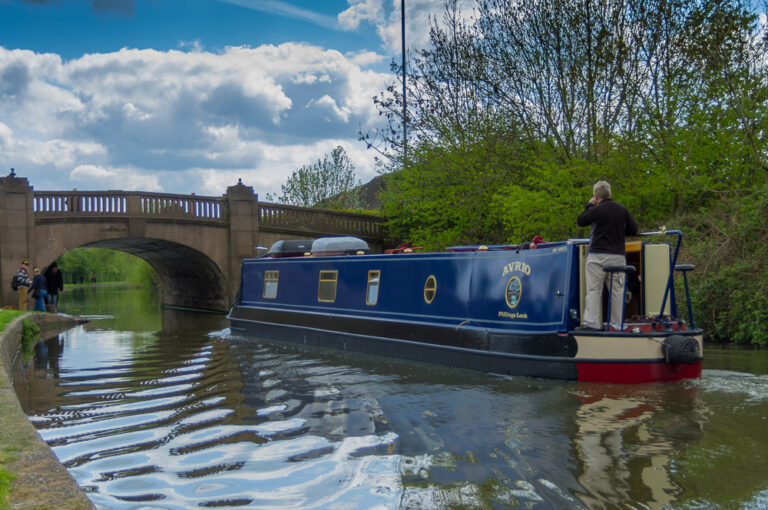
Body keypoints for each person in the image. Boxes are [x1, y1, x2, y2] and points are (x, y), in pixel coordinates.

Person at [576, 180, 638, 331]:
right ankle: (617, 325)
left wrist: (590, 205)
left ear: (596, 196)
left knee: (594, 290)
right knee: (617, 291)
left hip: (597, 256)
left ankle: (592, 323)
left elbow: (581, 221)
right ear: (610, 193)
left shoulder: (596, 210)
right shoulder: (622, 210)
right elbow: (633, 229)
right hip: (617, 256)